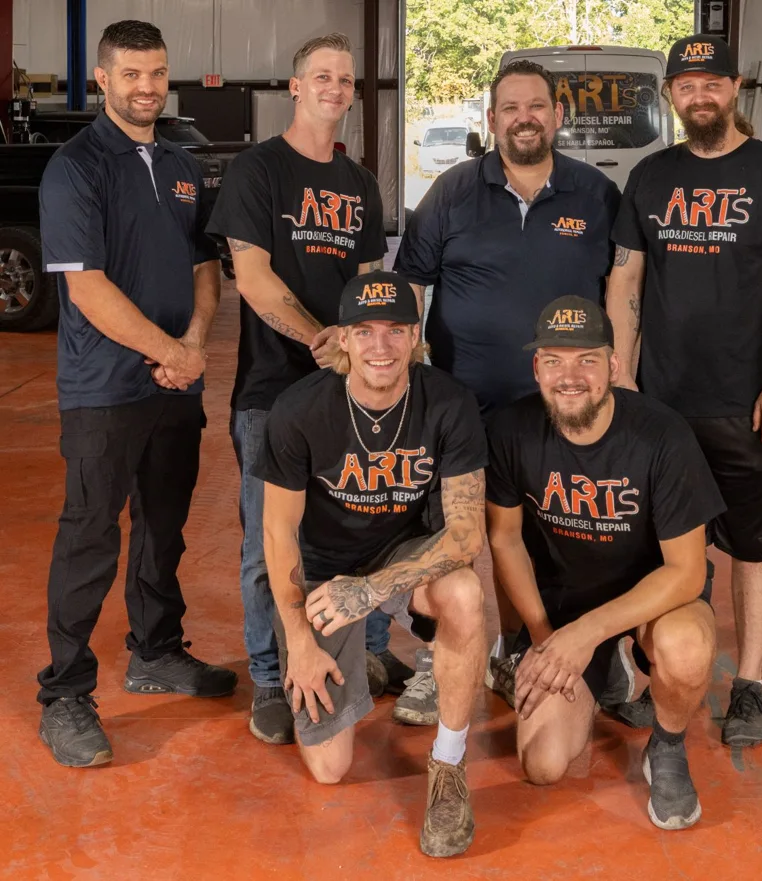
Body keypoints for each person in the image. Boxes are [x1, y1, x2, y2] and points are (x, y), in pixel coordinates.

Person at [394, 59, 628, 712]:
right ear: (491, 120)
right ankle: (436, 657)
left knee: (552, 530)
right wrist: (412, 363)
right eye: (510, 108)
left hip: (561, 406)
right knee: (450, 532)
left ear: (557, 116)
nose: (524, 117)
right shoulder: (451, 192)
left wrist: (620, 371)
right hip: (463, 403)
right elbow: (413, 280)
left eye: (537, 106)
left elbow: (623, 289)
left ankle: (536, 647)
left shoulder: (595, 195)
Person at [606, 34, 762, 744]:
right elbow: (625, 279)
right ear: (672, 95)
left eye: (712, 83)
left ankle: (750, 684)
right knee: (666, 550)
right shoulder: (650, 176)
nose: (700, 96)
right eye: (686, 85)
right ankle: (667, 676)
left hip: (747, 401)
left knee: (754, 548)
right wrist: (624, 374)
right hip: (662, 404)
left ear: (735, 89)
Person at [36, 20, 234, 768]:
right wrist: (171, 352)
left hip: (172, 387)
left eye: (156, 73)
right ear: (101, 78)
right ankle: (64, 691)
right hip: (104, 390)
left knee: (164, 524)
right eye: (130, 75)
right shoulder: (76, 168)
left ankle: (154, 650)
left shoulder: (182, 164)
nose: (145, 87)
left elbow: (203, 267)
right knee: (90, 535)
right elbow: (86, 287)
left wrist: (194, 347)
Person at [207, 33, 411, 746]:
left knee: (368, 520)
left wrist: (370, 350)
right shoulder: (257, 170)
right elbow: (254, 277)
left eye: (346, 80)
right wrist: (325, 340)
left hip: (354, 390)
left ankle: (371, 647)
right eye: (320, 76)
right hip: (273, 390)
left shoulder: (359, 183)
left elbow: (367, 287)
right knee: (273, 540)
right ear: (294, 88)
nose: (334, 88)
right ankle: (269, 673)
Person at [255, 271, 486, 857]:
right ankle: (323, 663)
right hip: (325, 572)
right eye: (365, 331)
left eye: (395, 331)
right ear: (343, 340)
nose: (380, 346)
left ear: (416, 337)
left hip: (400, 558)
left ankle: (449, 766)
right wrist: (300, 639)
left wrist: (372, 590)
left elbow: (465, 535)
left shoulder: (449, 402)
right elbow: (278, 535)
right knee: (330, 769)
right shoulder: (299, 410)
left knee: (463, 593)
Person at [486, 296, 726, 830]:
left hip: (651, 602)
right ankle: (605, 676)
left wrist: (588, 633)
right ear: (536, 368)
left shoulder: (663, 435)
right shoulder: (510, 430)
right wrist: (549, 639)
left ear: (614, 366)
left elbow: (686, 571)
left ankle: (666, 745)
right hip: (563, 606)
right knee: (544, 765)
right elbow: (504, 541)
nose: (569, 376)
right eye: (553, 360)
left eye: (586, 360)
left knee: (685, 650)